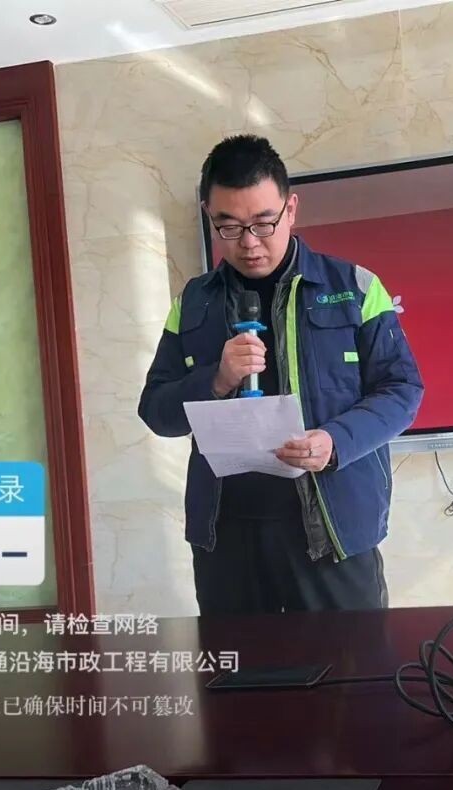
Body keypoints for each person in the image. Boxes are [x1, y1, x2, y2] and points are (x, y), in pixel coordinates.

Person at [138, 134, 424, 616]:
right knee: (239, 665)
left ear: (291, 209)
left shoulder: (354, 287)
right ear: (209, 215)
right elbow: (156, 411)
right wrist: (216, 379)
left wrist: (335, 441)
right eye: (228, 227)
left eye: (263, 223)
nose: (248, 243)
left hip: (332, 532)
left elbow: (402, 390)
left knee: (351, 663)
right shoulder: (194, 303)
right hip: (227, 541)